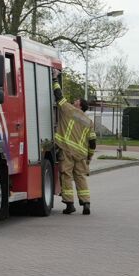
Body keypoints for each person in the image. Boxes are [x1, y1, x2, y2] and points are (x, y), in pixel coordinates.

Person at [52, 73, 96, 215]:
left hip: (67, 150)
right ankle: (86, 203)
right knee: (81, 177)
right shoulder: (89, 122)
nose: (74, 101)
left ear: (79, 105)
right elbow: (93, 142)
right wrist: (89, 157)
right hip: (81, 154)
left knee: (66, 176)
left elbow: (58, 96)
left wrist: (55, 78)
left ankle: (69, 204)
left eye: (76, 100)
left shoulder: (70, 110)